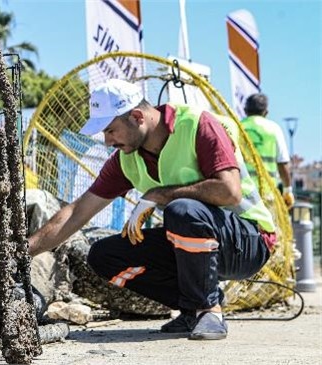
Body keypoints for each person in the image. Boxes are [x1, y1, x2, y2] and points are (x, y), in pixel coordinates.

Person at [27, 79, 276, 340]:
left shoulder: (197, 125)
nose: (107, 142)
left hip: (249, 240)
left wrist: (159, 194)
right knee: (103, 256)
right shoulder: (126, 159)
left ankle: (208, 310)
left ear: (137, 117)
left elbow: (230, 191)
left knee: (181, 211)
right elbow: (77, 212)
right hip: (194, 238)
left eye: (111, 130)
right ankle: (194, 306)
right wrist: (23, 251)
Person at [241, 93, 294, 208]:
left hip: (241, 194)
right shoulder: (274, 129)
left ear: (245, 110)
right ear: (266, 112)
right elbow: (282, 164)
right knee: (267, 225)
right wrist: (287, 190)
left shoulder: (238, 127)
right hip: (266, 194)